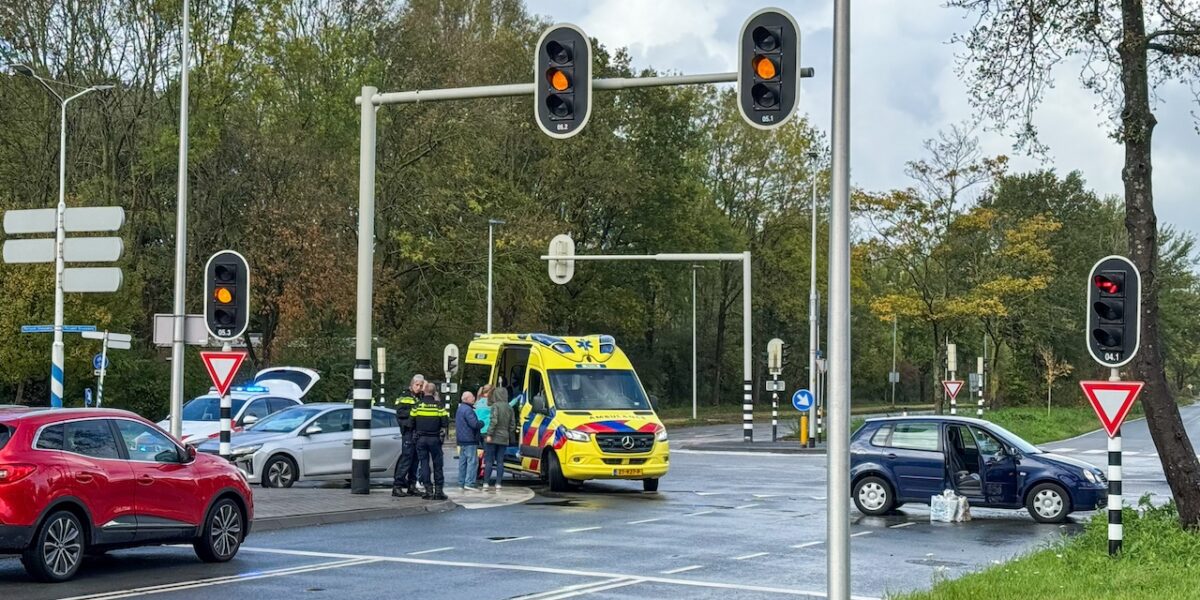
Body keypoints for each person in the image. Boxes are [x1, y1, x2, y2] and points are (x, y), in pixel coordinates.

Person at [412, 381, 449, 500]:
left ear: (424, 391)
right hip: (435, 439)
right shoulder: (439, 406)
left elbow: (411, 422)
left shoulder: (417, 405)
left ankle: (428, 491)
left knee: (424, 464)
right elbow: (445, 422)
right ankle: (439, 491)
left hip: (421, 439)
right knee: (438, 465)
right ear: (434, 392)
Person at [391, 374, 425, 497]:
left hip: (418, 432)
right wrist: (415, 413)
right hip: (409, 432)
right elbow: (400, 412)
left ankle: (412, 486)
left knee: (415, 460)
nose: (419, 387)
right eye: (417, 385)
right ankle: (397, 486)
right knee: (406, 459)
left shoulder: (420, 396)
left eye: (421, 385)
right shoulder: (405, 396)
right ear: (412, 385)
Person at [482, 387, 516, 491]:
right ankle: (498, 483)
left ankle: (486, 483)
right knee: (500, 461)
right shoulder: (509, 407)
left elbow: (494, 421)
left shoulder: (495, 406)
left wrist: (489, 434)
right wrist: (508, 433)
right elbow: (513, 424)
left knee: (489, 461)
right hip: (504, 436)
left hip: (493, 436)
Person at [455, 391, 483, 490]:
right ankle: (470, 483)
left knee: (463, 462)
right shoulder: (468, 410)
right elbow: (474, 424)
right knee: (472, 461)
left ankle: (461, 483)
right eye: (472, 397)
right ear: (466, 399)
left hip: (461, 439)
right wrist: (481, 423)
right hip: (470, 439)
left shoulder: (460, 408)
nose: (474, 399)